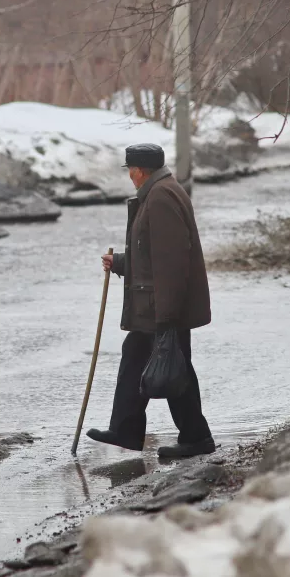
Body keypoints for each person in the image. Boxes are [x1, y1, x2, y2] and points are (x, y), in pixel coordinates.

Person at [86, 143, 216, 459]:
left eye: (130, 170)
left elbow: (171, 261)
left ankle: (192, 437)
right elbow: (150, 254)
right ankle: (132, 430)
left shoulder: (161, 198)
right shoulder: (160, 192)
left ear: (141, 171)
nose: (129, 176)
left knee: (172, 368)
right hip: (158, 305)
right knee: (153, 360)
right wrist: (120, 262)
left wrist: (167, 317)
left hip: (162, 308)